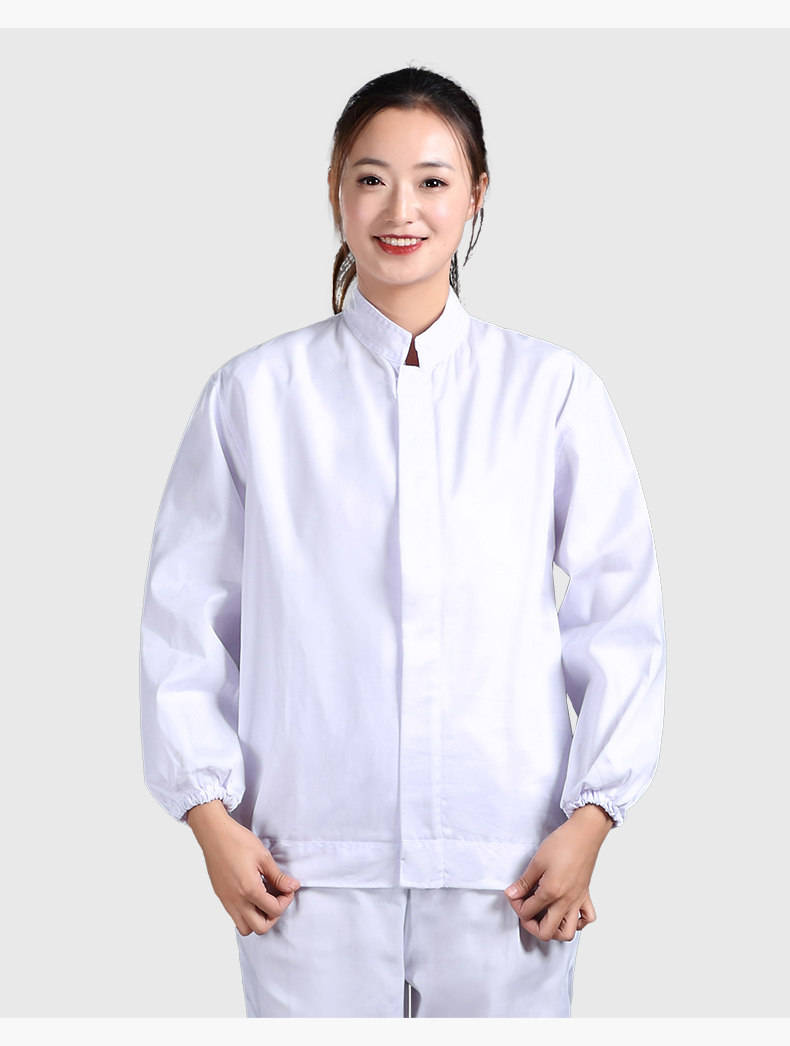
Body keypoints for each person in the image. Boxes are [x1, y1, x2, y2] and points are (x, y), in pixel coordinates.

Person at [139, 66, 666, 1019]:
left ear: (476, 194)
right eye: (372, 178)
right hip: (303, 866)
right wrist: (210, 823)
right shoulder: (254, 396)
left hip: (509, 864)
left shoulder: (550, 392)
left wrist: (593, 818)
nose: (400, 210)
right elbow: (186, 622)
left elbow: (619, 614)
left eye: (432, 180)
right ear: (335, 189)